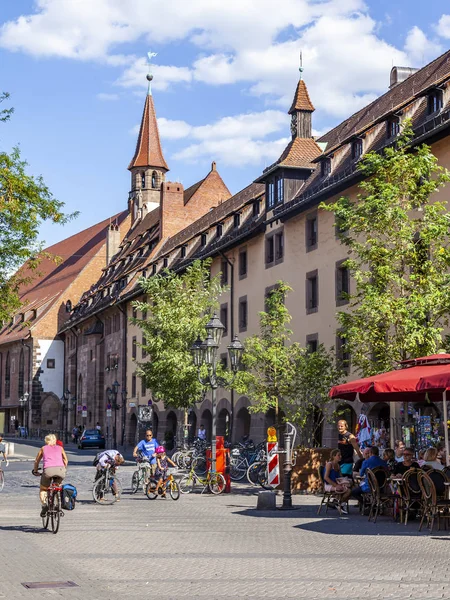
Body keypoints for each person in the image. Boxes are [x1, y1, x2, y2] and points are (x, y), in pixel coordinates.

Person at [32, 433, 68, 517]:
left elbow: (36, 461)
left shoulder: (43, 448)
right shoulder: (60, 448)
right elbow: (65, 460)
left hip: (48, 470)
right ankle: (58, 503)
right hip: (60, 470)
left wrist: (36, 470)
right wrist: (63, 468)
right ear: (55, 441)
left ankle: (44, 505)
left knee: (43, 489)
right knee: (57, 486)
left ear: (46, 441)